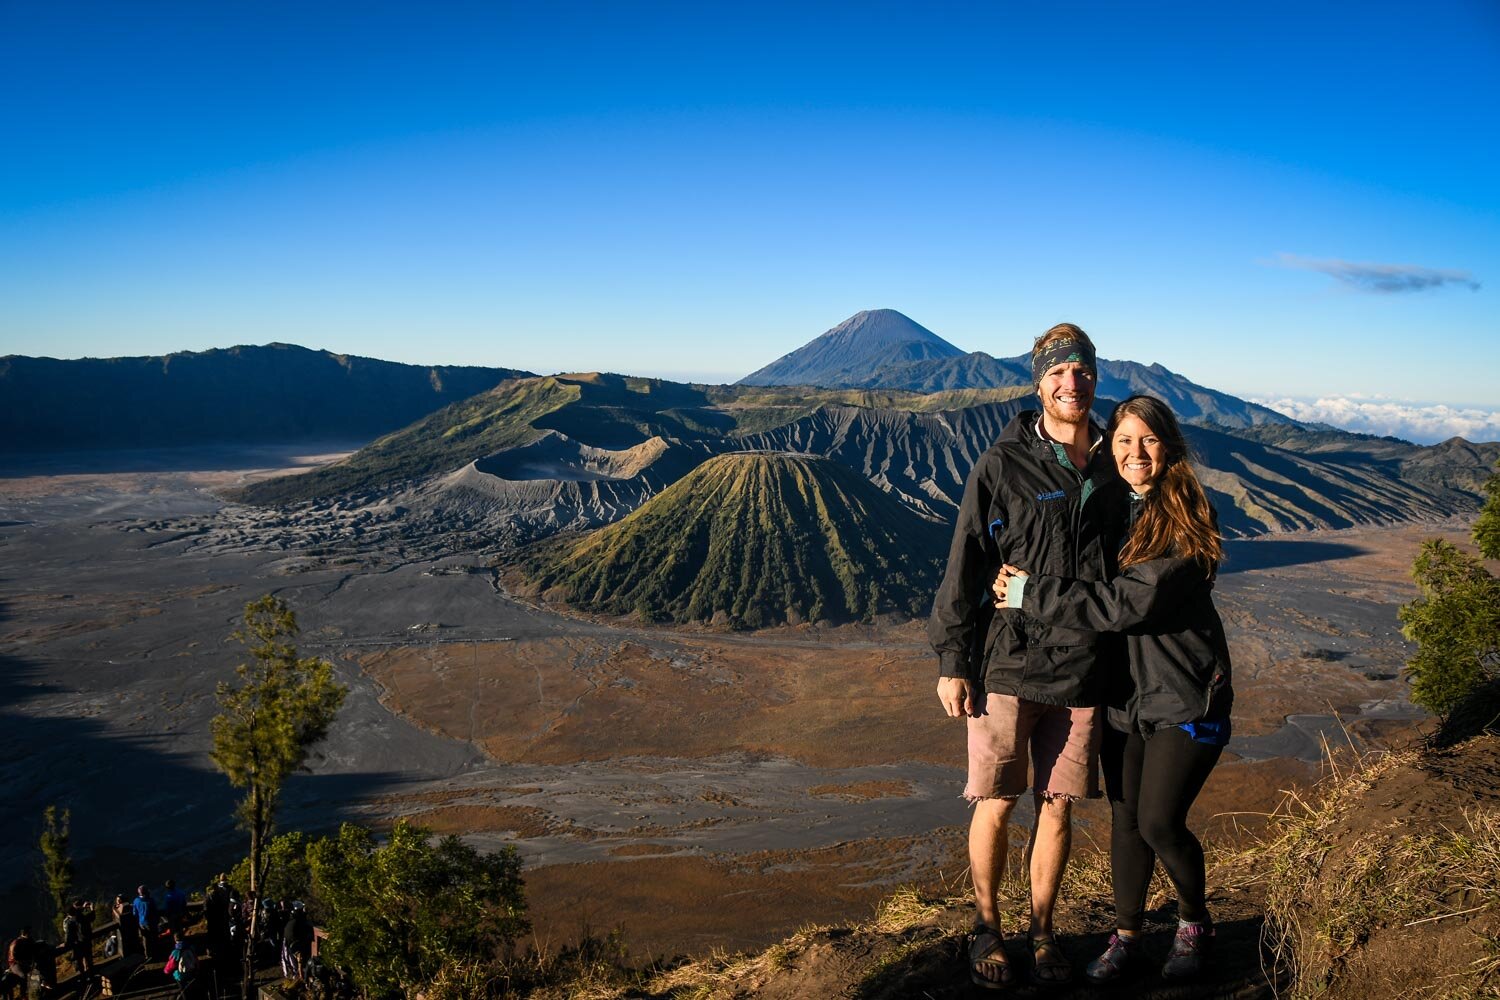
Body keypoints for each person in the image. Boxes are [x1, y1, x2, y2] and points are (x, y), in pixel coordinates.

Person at [992, 394, 1233, 982]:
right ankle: (1126, 937)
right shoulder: (1117, 509)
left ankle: (1193, 924)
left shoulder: (1182, 521)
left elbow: (1127, 603)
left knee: (1157, 822)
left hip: (1185, 697)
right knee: (1126, 822)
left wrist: (1032, 594)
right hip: (1127, 695)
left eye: (1147, 440)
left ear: (1168, 446)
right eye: (1123, 440)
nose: (1135, 452)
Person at [929, 322, 1127, 988]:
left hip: (1083, 668)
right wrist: (953, 660)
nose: (1073, 382)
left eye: (1083, 370)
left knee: (1060, 805)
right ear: (1039, 381)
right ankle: (987, 930)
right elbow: (966, 563)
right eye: (1059, 372)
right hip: (1009, 666)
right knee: (996, 800)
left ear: (1095, 377)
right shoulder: (1003, 463)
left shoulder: (1115, 461)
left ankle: (1044, 934)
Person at [163, 932, 198, 998]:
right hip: (192, 972)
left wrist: (166, 971)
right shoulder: (191, 948)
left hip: (180, 975)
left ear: (175, 940)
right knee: (192, 989)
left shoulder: (175, 952)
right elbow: (196, 959)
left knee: (184, 991)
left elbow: (170, 966)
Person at [132, 886, 159, 961]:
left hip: (141, 923)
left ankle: (147, 955)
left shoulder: (136, 901)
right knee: (154, 938)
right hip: (151, 923)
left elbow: (135, 913)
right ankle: (156, 954)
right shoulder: (150, 901)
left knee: (145, 939)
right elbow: (155, 912)